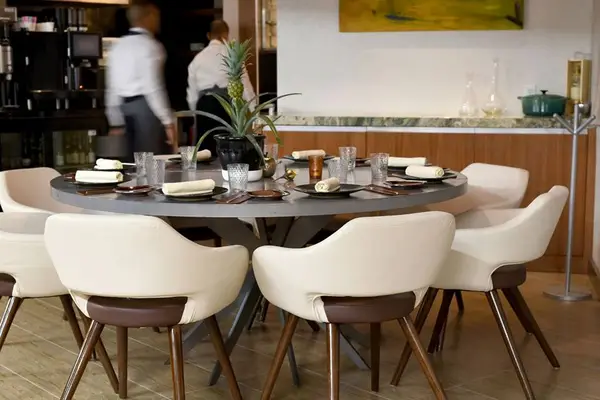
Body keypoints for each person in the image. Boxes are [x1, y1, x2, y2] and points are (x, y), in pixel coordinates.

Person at [105, 0, 177, 160]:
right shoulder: (151, 46)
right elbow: (153, 87)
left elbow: (112, 88)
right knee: (151, 162)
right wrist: (168, 121)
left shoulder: (118, 47)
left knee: (130, 164)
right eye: (156, 16)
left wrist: (114, 121)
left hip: (124, 108)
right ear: (148, 17)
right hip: (146, 110)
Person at [186, 20, 256, 154]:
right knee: (226, 147)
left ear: (208, 35)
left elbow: (192, 94)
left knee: (204, 149)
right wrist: (254, 111)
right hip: (225, 105)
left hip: (204, 105)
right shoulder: (232, 55)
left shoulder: (197, 59)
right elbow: (245, 85)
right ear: (226, 35)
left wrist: (195, 115)